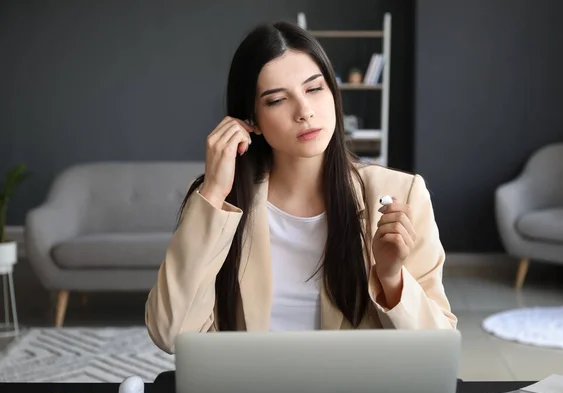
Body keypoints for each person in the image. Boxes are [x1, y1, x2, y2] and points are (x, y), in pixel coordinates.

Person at [145, 20, 457, 354]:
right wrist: (213, 192)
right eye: (277, 100)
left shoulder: (402, 193)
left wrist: (391, 278)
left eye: (314, 88)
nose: (305, 111)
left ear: (333, 92)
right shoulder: (220, 202)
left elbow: (440, 346)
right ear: (252, 121)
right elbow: (169, 333)